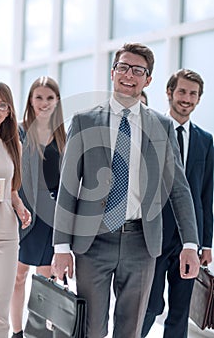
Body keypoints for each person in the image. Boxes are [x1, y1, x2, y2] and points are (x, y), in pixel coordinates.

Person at [52, 43, 200, 338]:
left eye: (138, 70)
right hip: (92, 241)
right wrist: (60, 247)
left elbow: (179, 189)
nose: (128, 75)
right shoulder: (85, 121)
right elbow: (68, 188)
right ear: (112, 72)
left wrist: (190, 244)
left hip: (141, 243)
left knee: (130, 329)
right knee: (90, 328)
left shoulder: (161, 126)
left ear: (148, 80)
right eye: (123, 67)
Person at [141, 69, 213, 338]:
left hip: (188, 241)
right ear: (169, 92)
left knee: (181, 311)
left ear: (199, 99)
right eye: (182, 91)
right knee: (149, 306)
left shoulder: (205, 141)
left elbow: (206, 197)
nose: (187, 98)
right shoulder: (151, 132)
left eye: (193, 94)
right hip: (154, 236)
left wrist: (205, 243)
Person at [10, 76, 66, 338]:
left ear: (57, 102)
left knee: (44, 281)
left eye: (50, 98)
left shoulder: (63, 136)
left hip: (52, 218)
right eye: (39, 97)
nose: (44, 103)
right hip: (26, 214)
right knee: (18, 277)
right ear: (31, 101)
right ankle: (17, 331)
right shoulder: (18, 131)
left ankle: (37, 332)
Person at [0, 82, 31, 338]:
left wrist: (20, 207)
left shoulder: (12, 144)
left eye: (2, 105)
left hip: (5, 232)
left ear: (9, 111)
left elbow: (12, 190)